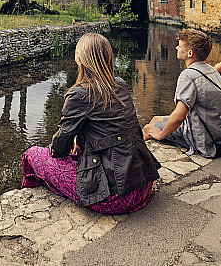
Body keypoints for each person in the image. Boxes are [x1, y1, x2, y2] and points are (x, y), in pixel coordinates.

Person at [21, 33, 161, 214]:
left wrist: (68, 142)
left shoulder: (79, 94)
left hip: (114, 198)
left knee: (32, 154)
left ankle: (30, 195)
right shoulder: (120, 85)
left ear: (80, 59)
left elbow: (59, 149)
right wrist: (79, 140)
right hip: (142, 188)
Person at [142, 29, 221, 158]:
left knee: (148, 128)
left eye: (180, 45)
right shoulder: (211, 70)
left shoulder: (188, 75)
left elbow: (179, 116)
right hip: (219, 131)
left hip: (203, 138)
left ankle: (142, 165)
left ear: (190, 53)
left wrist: (160, 135)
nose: (176, 48)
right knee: (156, 118)